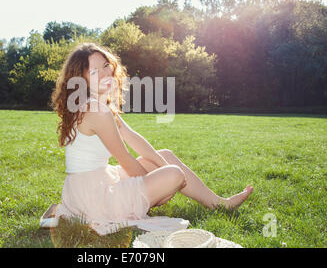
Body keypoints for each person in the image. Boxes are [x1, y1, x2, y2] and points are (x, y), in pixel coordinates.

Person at [47, 42, 253, 235]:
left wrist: (159, 166)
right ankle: (174, 188)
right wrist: (157, 184)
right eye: (94, 72)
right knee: (173, 174)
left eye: (105, 65)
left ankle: (220, 203)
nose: (104, 74)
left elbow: (133, 138)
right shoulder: (95, 109)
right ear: (81, 79)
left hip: (92, 184)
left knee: (165, 157)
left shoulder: (97, 104)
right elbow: (125, 159)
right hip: (94, 199)